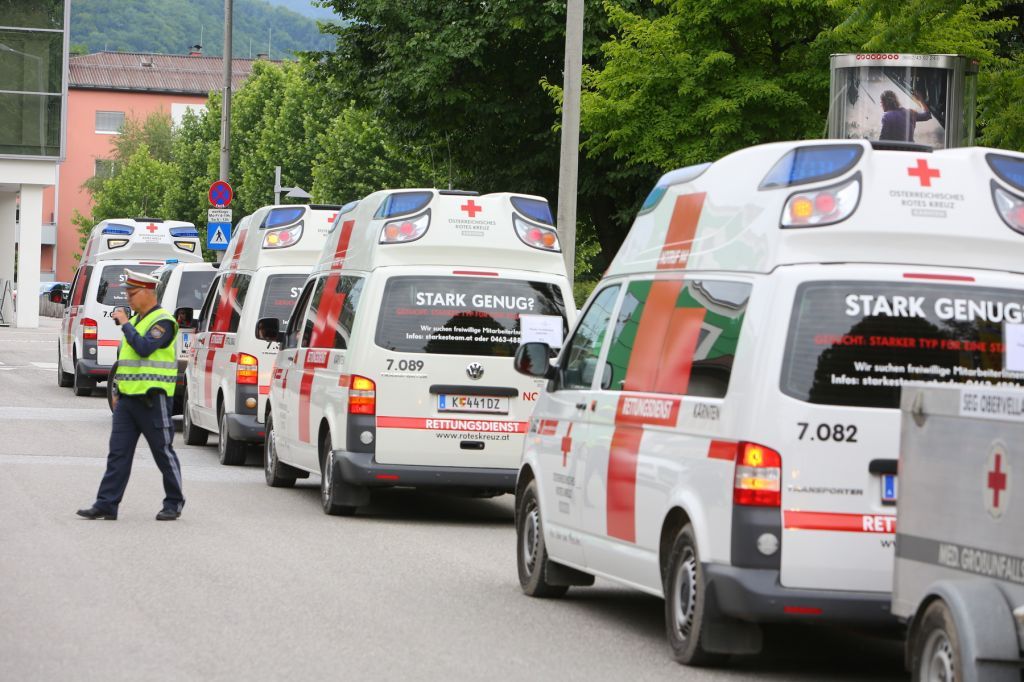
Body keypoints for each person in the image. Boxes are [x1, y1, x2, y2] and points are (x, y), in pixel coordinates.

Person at [77, 270, 185, 521]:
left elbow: (144, 348)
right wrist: (116, 391)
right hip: (127, 400)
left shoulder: (163, 322)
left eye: (132, 293)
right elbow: (126, 363)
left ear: (147, 292)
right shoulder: (136, 321)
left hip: (153, 399)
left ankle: (174, 502)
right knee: (118, 453)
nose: (128, 298)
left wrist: (125, 324)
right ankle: (106, 504)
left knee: (162, 452)